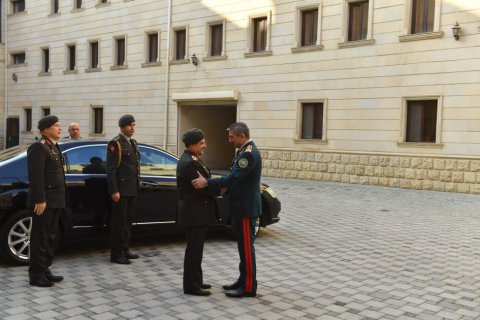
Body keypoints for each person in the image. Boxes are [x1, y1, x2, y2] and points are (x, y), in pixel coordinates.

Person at [192, 122, 262, 298]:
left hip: (245, 208)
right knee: (242, 247)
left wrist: (207, 182)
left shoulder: (249, 154)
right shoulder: (244, 151)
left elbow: (234, 177)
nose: (230, 140)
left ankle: (248, 287)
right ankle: (243, 279)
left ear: (242, 136)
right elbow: (236, 179)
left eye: (232, 137)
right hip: (240, 206)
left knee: (246, 248)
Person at [176, 128, 218, 296]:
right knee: (193, 251)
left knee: (196, 250)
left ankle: (197, 280)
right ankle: (191, 286)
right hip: (194, 214)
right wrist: (220, 188)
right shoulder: (190, 163)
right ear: (192, 145)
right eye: (201, 143)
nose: (204, 146)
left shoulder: (191, 158)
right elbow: (201, 188)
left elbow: (204, 182)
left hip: (195, 213)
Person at [27, 115, 66, 287]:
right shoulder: (39, 147)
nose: (59, 128)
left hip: (56, 200)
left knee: (50, 237)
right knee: (40, 238)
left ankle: (44, 269)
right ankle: (36, 275)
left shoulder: (54, 147)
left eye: (59, 125)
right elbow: (36, 177)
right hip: (45, 202)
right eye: (56, 126)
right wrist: (40, 199)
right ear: (45, 130)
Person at [106, 114, 140, 264]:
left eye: (133, 125)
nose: (132, 128)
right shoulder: (116, 144)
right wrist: (114, 190)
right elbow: (111, 169)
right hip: (121, 190)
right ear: (122, 127)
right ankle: (116, 254)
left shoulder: (132, 143)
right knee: (119, 223)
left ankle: (125, 249)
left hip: (132, 189)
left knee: (128, 222)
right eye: (129, 125)